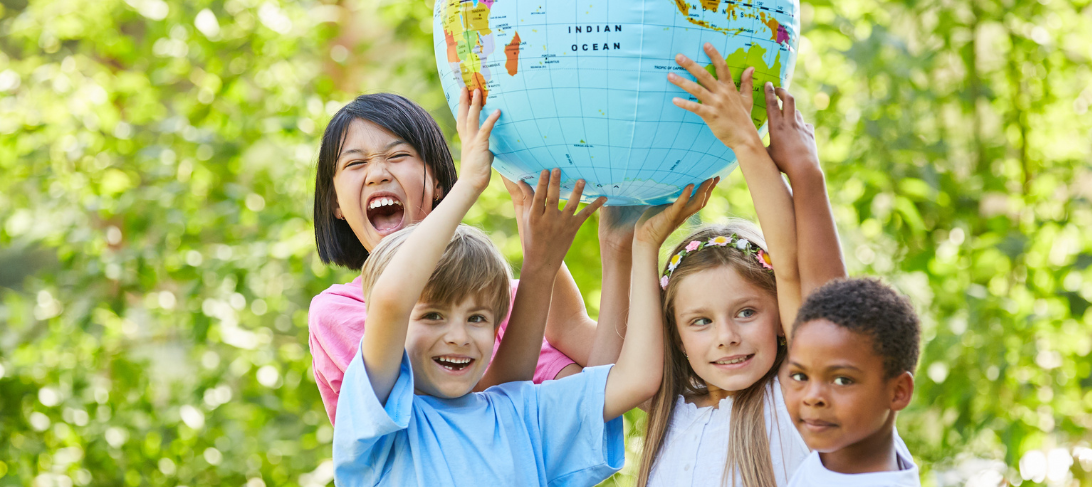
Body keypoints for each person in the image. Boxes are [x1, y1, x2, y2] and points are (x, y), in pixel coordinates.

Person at [333, 88, 716, 485]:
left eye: (478, 318)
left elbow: (634, 379)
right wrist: (470, 183)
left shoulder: (520, 410)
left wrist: (639, 245)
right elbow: (392, 301)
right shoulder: (379, 424)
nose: (459, 336)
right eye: (433, 316)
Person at [308, 92, 636, 423]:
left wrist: (619, 248)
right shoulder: (340, 310)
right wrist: (537, 265)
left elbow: (597, 395)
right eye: (355, 163)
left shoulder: (502, 296)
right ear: (335, 202)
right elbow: (468, 415)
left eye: (398, 155)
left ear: (436, 182)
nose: (377, 173)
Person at [630, 42, 818, 487]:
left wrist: (744, 141)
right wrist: (643, 244)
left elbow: (789, 265)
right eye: (699, 322)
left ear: (779, 319)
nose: (727, 337)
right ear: (674, 336)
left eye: (747, 312)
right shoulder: (665, 408)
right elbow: (568, 327)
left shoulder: (795, 399)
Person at [782, 278, 922, 487]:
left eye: (842, 380)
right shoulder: (865, 445)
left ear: (898, 392)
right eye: (800, 376)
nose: (812, 397)